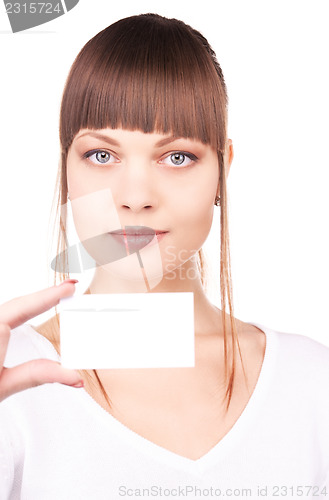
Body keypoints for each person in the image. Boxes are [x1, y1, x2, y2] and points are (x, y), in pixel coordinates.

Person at [0, 13, 328, 499]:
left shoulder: (310, 380)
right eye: (101, 155)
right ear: (66, 166)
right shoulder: (14, 376)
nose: (135, 197)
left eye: (177, 157)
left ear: (223, 170)